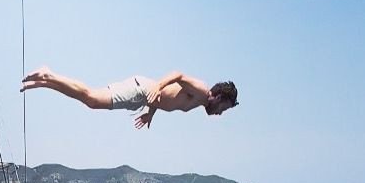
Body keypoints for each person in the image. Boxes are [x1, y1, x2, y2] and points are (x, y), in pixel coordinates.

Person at [20, 67, 238, 129]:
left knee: (91, 101)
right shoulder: (201, 91)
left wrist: (151, 113)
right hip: (142, 90)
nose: (220, 113)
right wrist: (157, 88)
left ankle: (46, 82)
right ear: (218, 97)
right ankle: (49, 75)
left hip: (143, 97)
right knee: (91, 98)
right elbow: (178, 75)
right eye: (223, 108)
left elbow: (167, 96)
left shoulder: (198, 101)